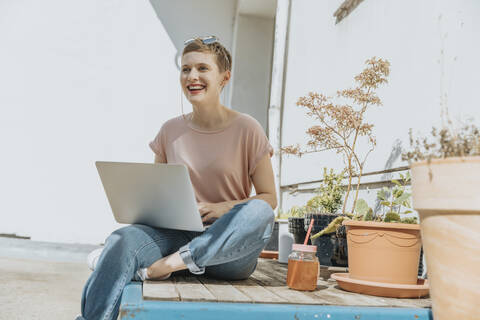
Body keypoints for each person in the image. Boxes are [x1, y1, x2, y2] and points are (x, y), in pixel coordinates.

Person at [76, 36, 277, 320]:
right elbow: (155, 193)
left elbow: (269, 198)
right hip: (176, 234)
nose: (192, 76)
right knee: (122, 239)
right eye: (185, 69)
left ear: (224, 77)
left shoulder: (248, 129)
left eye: (202, 68)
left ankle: (165, 266)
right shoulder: (169, 131)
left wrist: (222, 208)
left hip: (228, 251)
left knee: (259, 212)